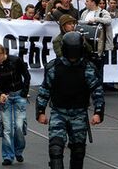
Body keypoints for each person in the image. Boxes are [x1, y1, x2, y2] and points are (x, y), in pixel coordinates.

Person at [36, 32, 105, 169]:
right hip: (58, 112)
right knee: (55, 149)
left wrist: (98, 112)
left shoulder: (88, 68)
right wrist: (40, 111)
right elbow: (44, 90)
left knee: (78, 152)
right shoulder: (54, 67)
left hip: (79, 113)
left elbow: (97, 91)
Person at [0, 43, 31, 165]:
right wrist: (0, 93)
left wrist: (24, 92)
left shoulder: (15, 60)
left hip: (19, 95)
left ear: (4, 54)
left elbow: (26, 76)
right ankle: (8, 156)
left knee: (18, 126)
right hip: (5, 96)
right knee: (7, 128)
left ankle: (18, 151)